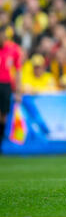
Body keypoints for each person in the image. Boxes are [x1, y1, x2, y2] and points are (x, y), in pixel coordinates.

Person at [0, 25, 22, 153]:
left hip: (6, 84)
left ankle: (1, 141)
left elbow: (18, 71)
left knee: (4, 115)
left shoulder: (13, 50)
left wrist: (18, 91)